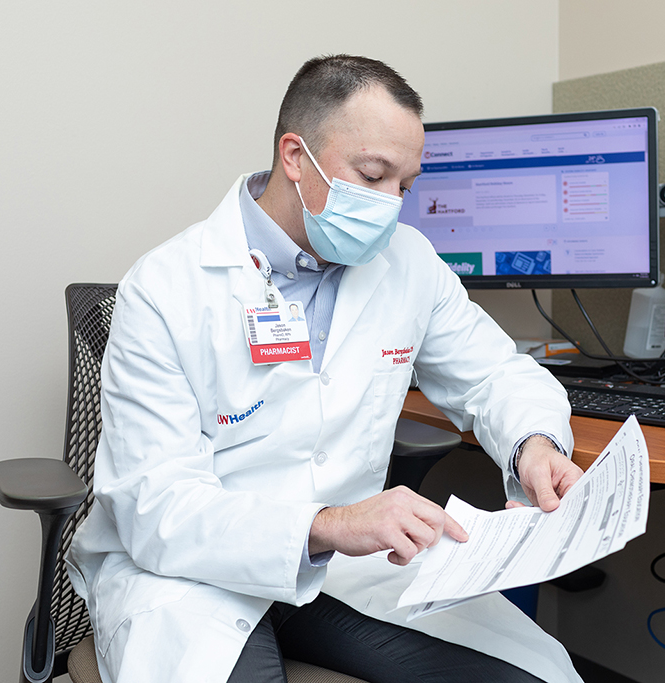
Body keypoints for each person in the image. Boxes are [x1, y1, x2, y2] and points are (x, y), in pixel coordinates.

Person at [68, 55, 584, 683]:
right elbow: (156, 508)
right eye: (373, 175)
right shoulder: (165, 289)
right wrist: (329, 523)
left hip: (345, 567)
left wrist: (534, 443)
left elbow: (495, 374)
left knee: (531, 677)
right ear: (295, 156)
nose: (392, 205)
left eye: (406, 185)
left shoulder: (408, 263)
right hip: (188, 573)